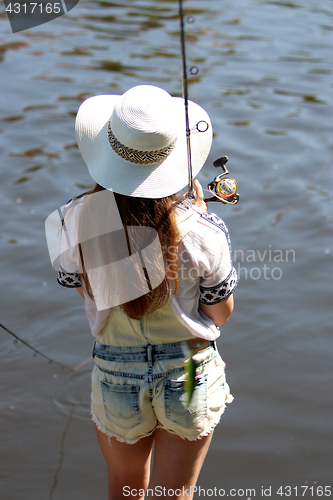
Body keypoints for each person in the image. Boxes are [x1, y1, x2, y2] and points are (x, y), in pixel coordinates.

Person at [57, 85, 238, 500]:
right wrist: (200, 219)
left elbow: (82, 287)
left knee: (124, 491)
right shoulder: (205, 232)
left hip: (116, 377)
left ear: (107, 149)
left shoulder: (70, 220)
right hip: (191, 375)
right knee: (174, 496)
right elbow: (220, 314)